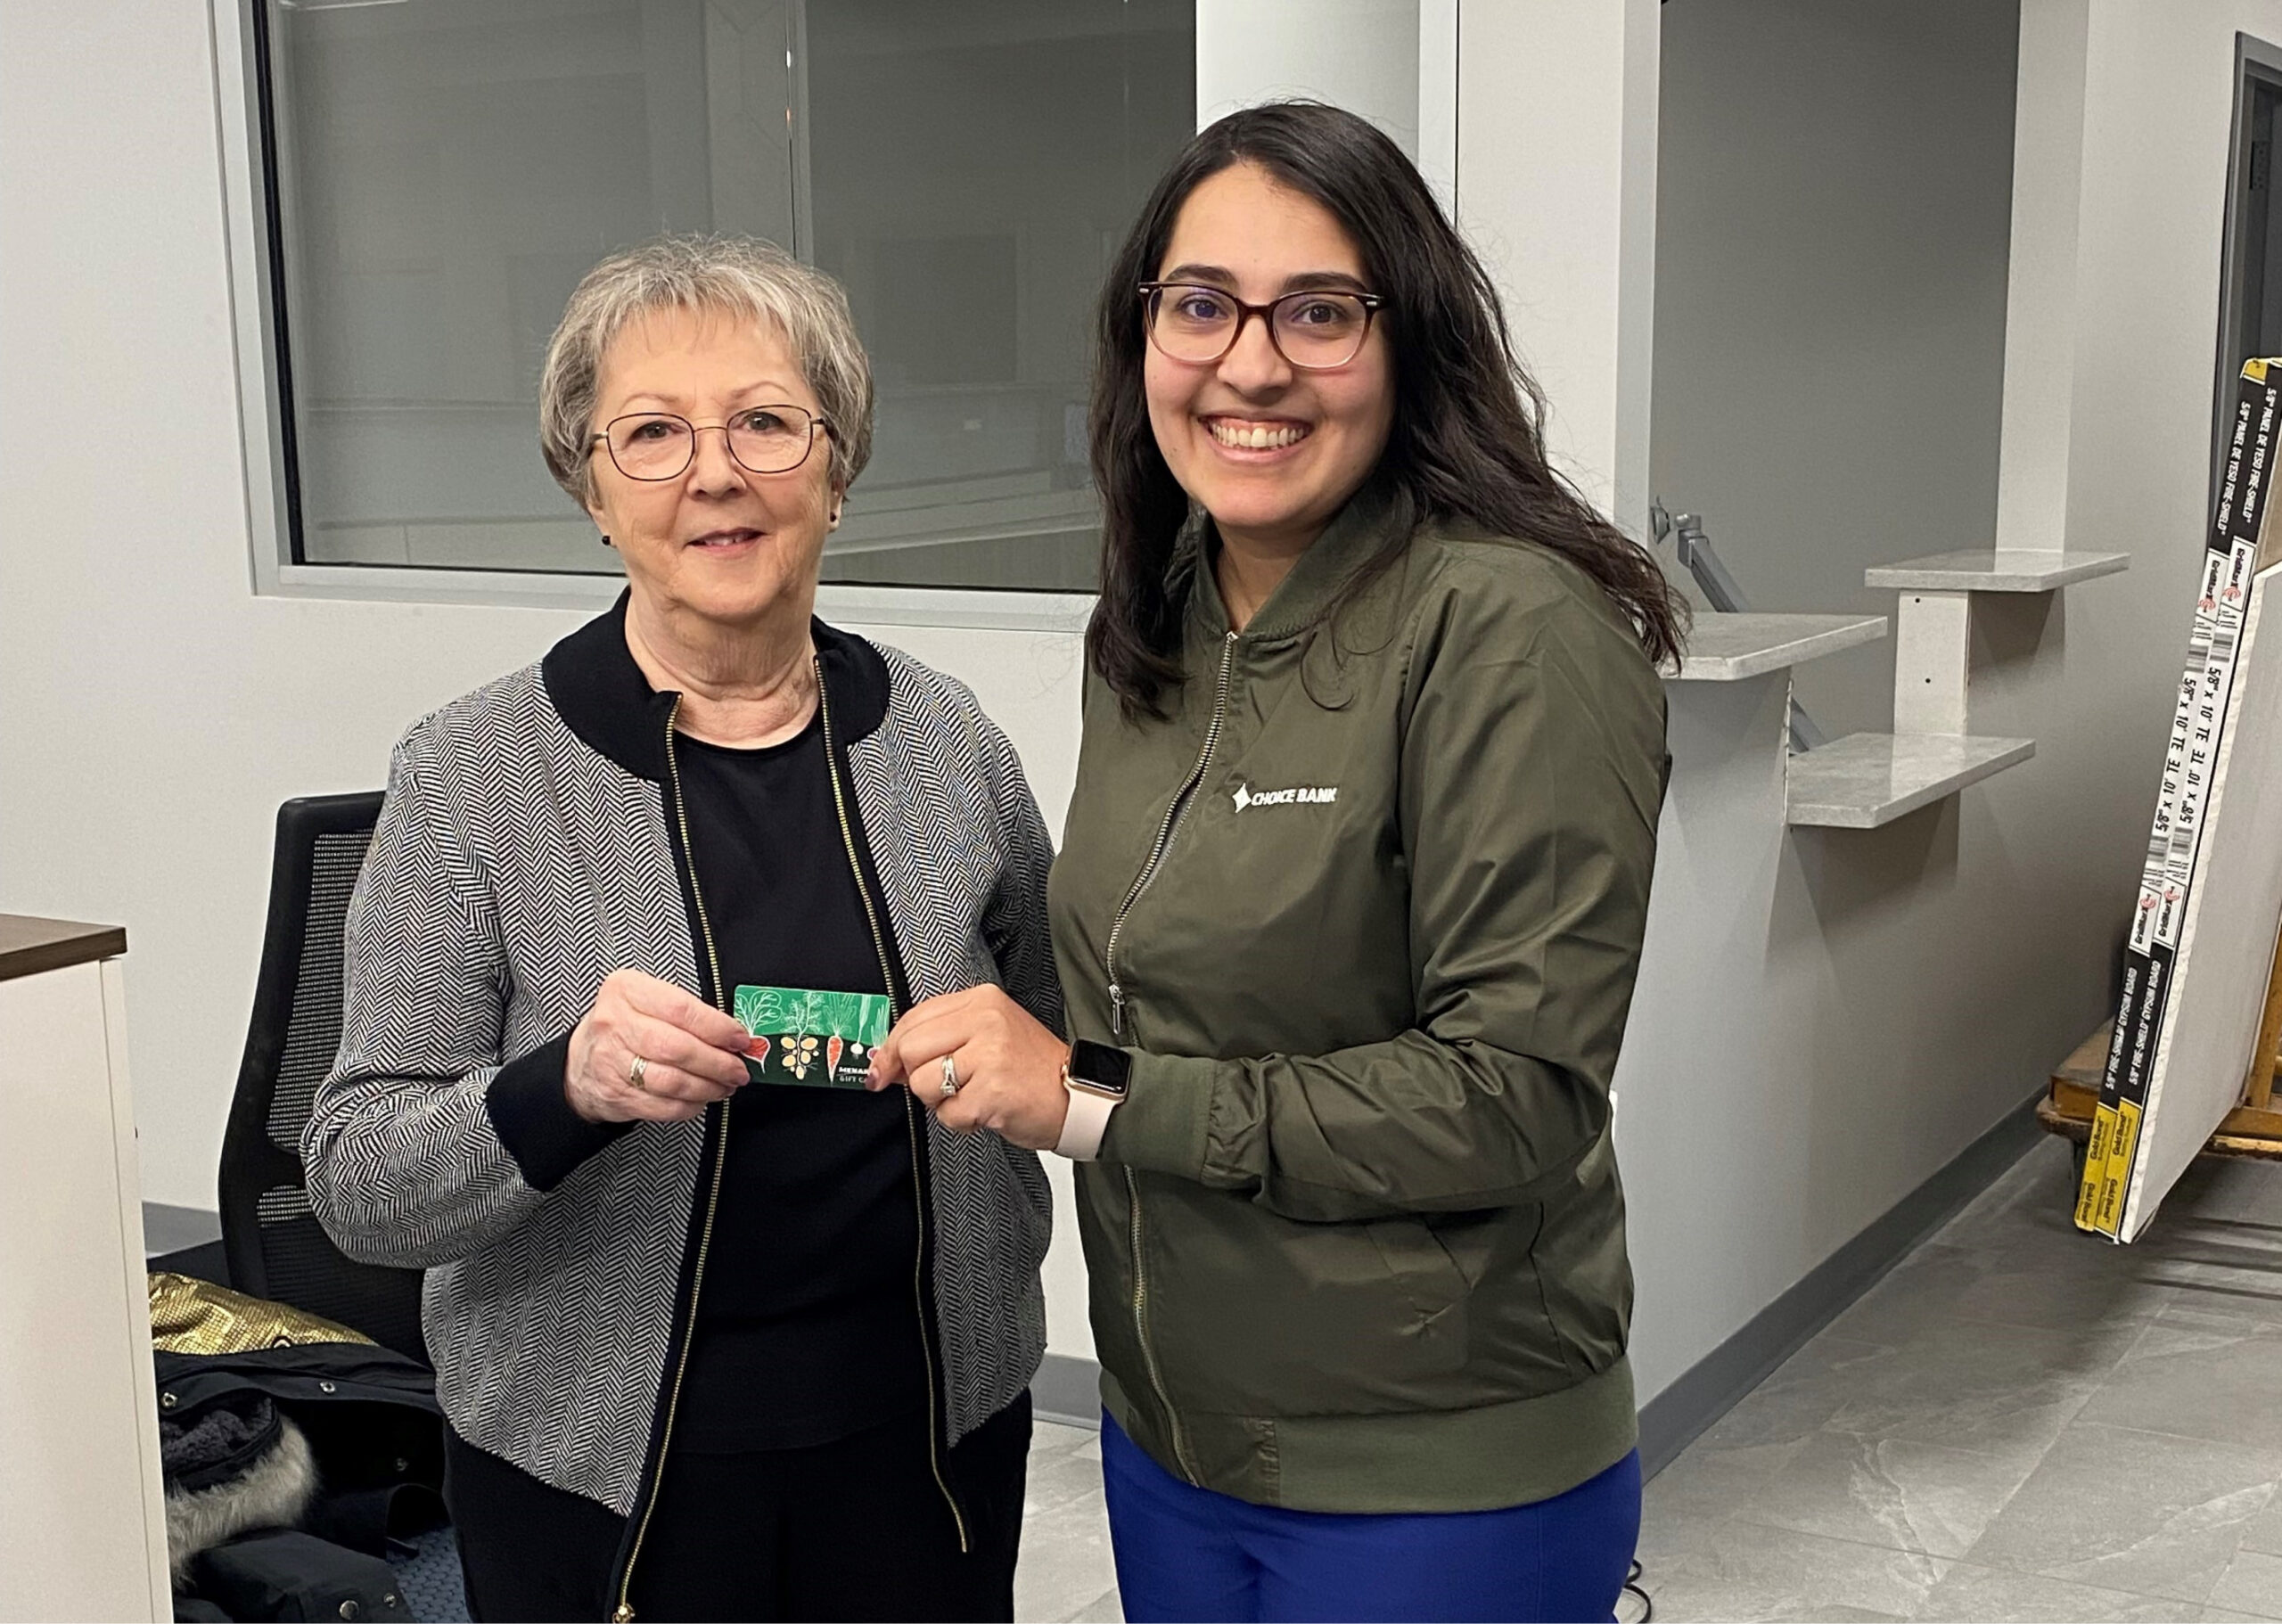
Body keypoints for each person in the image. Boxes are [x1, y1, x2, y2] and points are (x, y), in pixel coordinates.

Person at [865, 103, 1683, 1623]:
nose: (1251, 364)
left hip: (1431, 1465)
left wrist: (1089, 1097)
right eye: (1202, 306)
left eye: (1319, 310)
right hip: (1172, 1434)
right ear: (1142, 338)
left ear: (1410, 338)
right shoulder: (1158, 623)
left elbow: (1514, 1093)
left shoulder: (1511, 629)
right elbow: (1145, 978)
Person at [302, 234, 1059, 1624]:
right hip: (602, 1482)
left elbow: (1057, 1058)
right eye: (650, 432)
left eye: (767, 422)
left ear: (838, 466)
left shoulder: (953, 745)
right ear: (590, 487)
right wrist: (562, 1086)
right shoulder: (472, 775)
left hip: (928, 1448)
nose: (716, 473)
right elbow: (357, 1177)